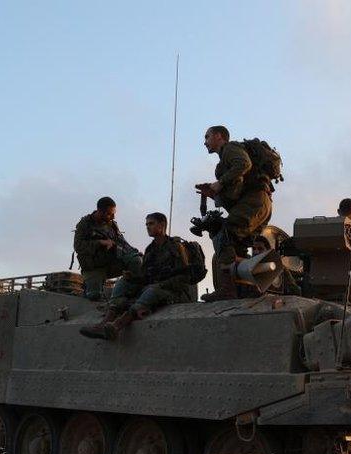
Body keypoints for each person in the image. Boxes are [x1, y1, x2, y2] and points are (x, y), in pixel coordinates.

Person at [79, 212, 194, 340]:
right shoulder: (150, 250)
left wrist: (160, 284)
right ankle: (103, 324)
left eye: (151, 224)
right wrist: (131, 278)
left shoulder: (176, 247)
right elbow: (145, 276)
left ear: (162, 225)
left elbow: (184, 278)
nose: (148, 227)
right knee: (123, 283)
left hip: (172, 291)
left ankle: (117, 326)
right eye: (146, 224)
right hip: (152, 288)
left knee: (151, 291)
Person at [195, 126, 273, 302]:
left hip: (255, 200)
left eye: (207, 136)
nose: (205, 142)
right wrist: (214, 193)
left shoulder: (230, 148)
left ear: (219, 136)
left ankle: (227, 289)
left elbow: (244, 164)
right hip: (259, 202)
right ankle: (247, 288)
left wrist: (220, 183)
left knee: (225, 236)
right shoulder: (223, 163)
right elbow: (235, 195)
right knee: (237, 245)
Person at [73, 197, 142, 301]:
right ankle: (89, 288)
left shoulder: (112, 225)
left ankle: (133, 292)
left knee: (136, 260)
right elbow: (78, 246)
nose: (113, 216)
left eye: (113, 213)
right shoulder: (85, 224)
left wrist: (134, 252)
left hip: (111, 264)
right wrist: (100, 242)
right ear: (100, 212)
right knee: (94, 297)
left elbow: (122, 243)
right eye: (110, 214)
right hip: (94, 267)